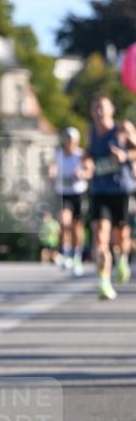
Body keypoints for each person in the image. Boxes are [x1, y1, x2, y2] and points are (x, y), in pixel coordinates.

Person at [84, 94, 136, 300]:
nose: (99, 112)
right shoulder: (91, 132)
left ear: (112, 109)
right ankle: (104, 281)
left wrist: (125, 156)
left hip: (121, 189)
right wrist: (86, 164)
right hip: (99, 190)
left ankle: (122, 259)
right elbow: (89, 155)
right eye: (95, 108)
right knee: (100, 236)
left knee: (121, 237)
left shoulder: (123, 128)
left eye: (102, 107)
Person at [49, 126, 89, 277]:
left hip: (78, 193)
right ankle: (66, 252)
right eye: (67, 139)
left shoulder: (81, 154)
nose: (69, 142)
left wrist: (82, 173)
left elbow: (89, 169)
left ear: (76, 141)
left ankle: (77, 256)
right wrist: (52, 175)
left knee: (77, 226)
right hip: (63, 192)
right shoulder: (58, 154)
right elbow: (53, 168)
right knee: (64, 222)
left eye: (72, 139)